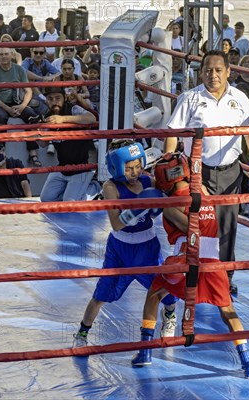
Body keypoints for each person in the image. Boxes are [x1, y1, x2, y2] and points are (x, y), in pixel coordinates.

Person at [131, 153, 249, 380]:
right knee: (227, 310)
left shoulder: (171, 205)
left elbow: (194, 231)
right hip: (213, 262)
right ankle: (248, 361)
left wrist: (163, 205)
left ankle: (145, 351)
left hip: (186, 259)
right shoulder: (203, 191)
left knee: (154, 295)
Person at [164, 49, 249, 294]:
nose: (213, 75)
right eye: (208, 70)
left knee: (228, 225)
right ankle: (194, 273)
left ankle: (225, 277)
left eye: (218, 70)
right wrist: (172, 170)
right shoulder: (189, 98)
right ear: (201, 73)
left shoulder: (240, 98)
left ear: (228, 72)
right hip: (199, 171)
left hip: (232, 171)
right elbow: (172, 135)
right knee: (200, 225)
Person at [73, 140, 178, 347]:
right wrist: (139, 207)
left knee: (165, 288)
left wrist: (160, 198)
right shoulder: (110, 186)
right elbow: (116, 224)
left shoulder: (149, 181)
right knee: (101, 294)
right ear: (116, 168)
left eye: (138, 166)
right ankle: (82, 333)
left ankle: (170, 316)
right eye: (129, 168)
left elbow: (159, 212)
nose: (135, 172)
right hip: (119, 251)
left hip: (147, 247)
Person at [39, 86, 98, 202]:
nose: (54, 102)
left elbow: (91, 118)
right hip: (62, 166)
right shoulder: (47, 117)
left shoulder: (73, 109)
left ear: (64, 98)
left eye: (57, 98)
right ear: (46, 101)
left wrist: (63, 119)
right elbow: (42, 144)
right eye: (50, 99)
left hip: (81, 167)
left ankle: (95, 186)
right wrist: (35, 131)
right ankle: (73, 192)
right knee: (46, 199)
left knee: (69, 203)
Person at [0, 47, 41, 166]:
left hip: (17, 102)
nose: (4, 57)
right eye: (1, 54)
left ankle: (33, 153)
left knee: (31, 116)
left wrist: (22, 106)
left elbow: (28, 91)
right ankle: (0, 153)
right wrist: (8, 109)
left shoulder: (19, 70)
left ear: (12, 55)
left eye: (6, 54)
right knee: (0, 117)